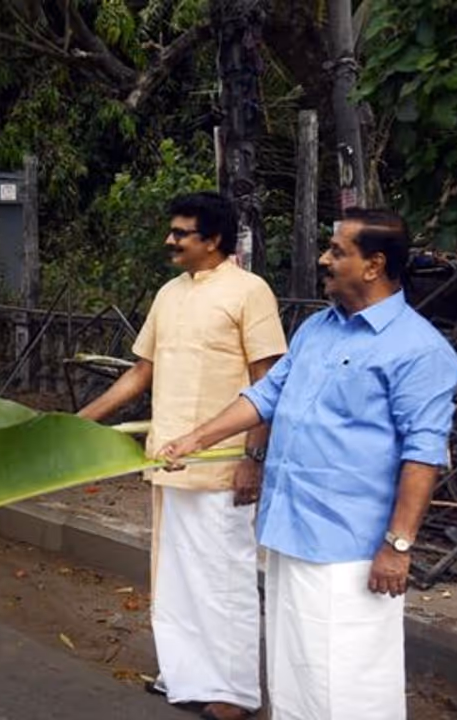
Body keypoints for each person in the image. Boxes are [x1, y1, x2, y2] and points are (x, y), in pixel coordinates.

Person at [158, 209, 457, 720]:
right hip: (291, 525)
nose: (324, 258)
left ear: (374, 265)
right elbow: (265, 396)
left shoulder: (418, 349)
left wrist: (398, 546)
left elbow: (422, 455)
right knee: (295, 670)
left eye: (337, 250)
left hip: (352, 548)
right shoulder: (316, 330)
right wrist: (195, 437)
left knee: (348, 679)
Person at [77, 191, 286, 720]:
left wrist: (252, 459)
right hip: (166, 460)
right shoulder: (169, 293)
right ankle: (185, 675)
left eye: (181, 232)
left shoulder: (250, 291)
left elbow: (268, 383)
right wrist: (81, 420)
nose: (169, 240)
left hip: (222, 465)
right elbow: (141, 372)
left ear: (212, 240)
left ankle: (234, 693)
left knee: (224, 580)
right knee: (172, 579)